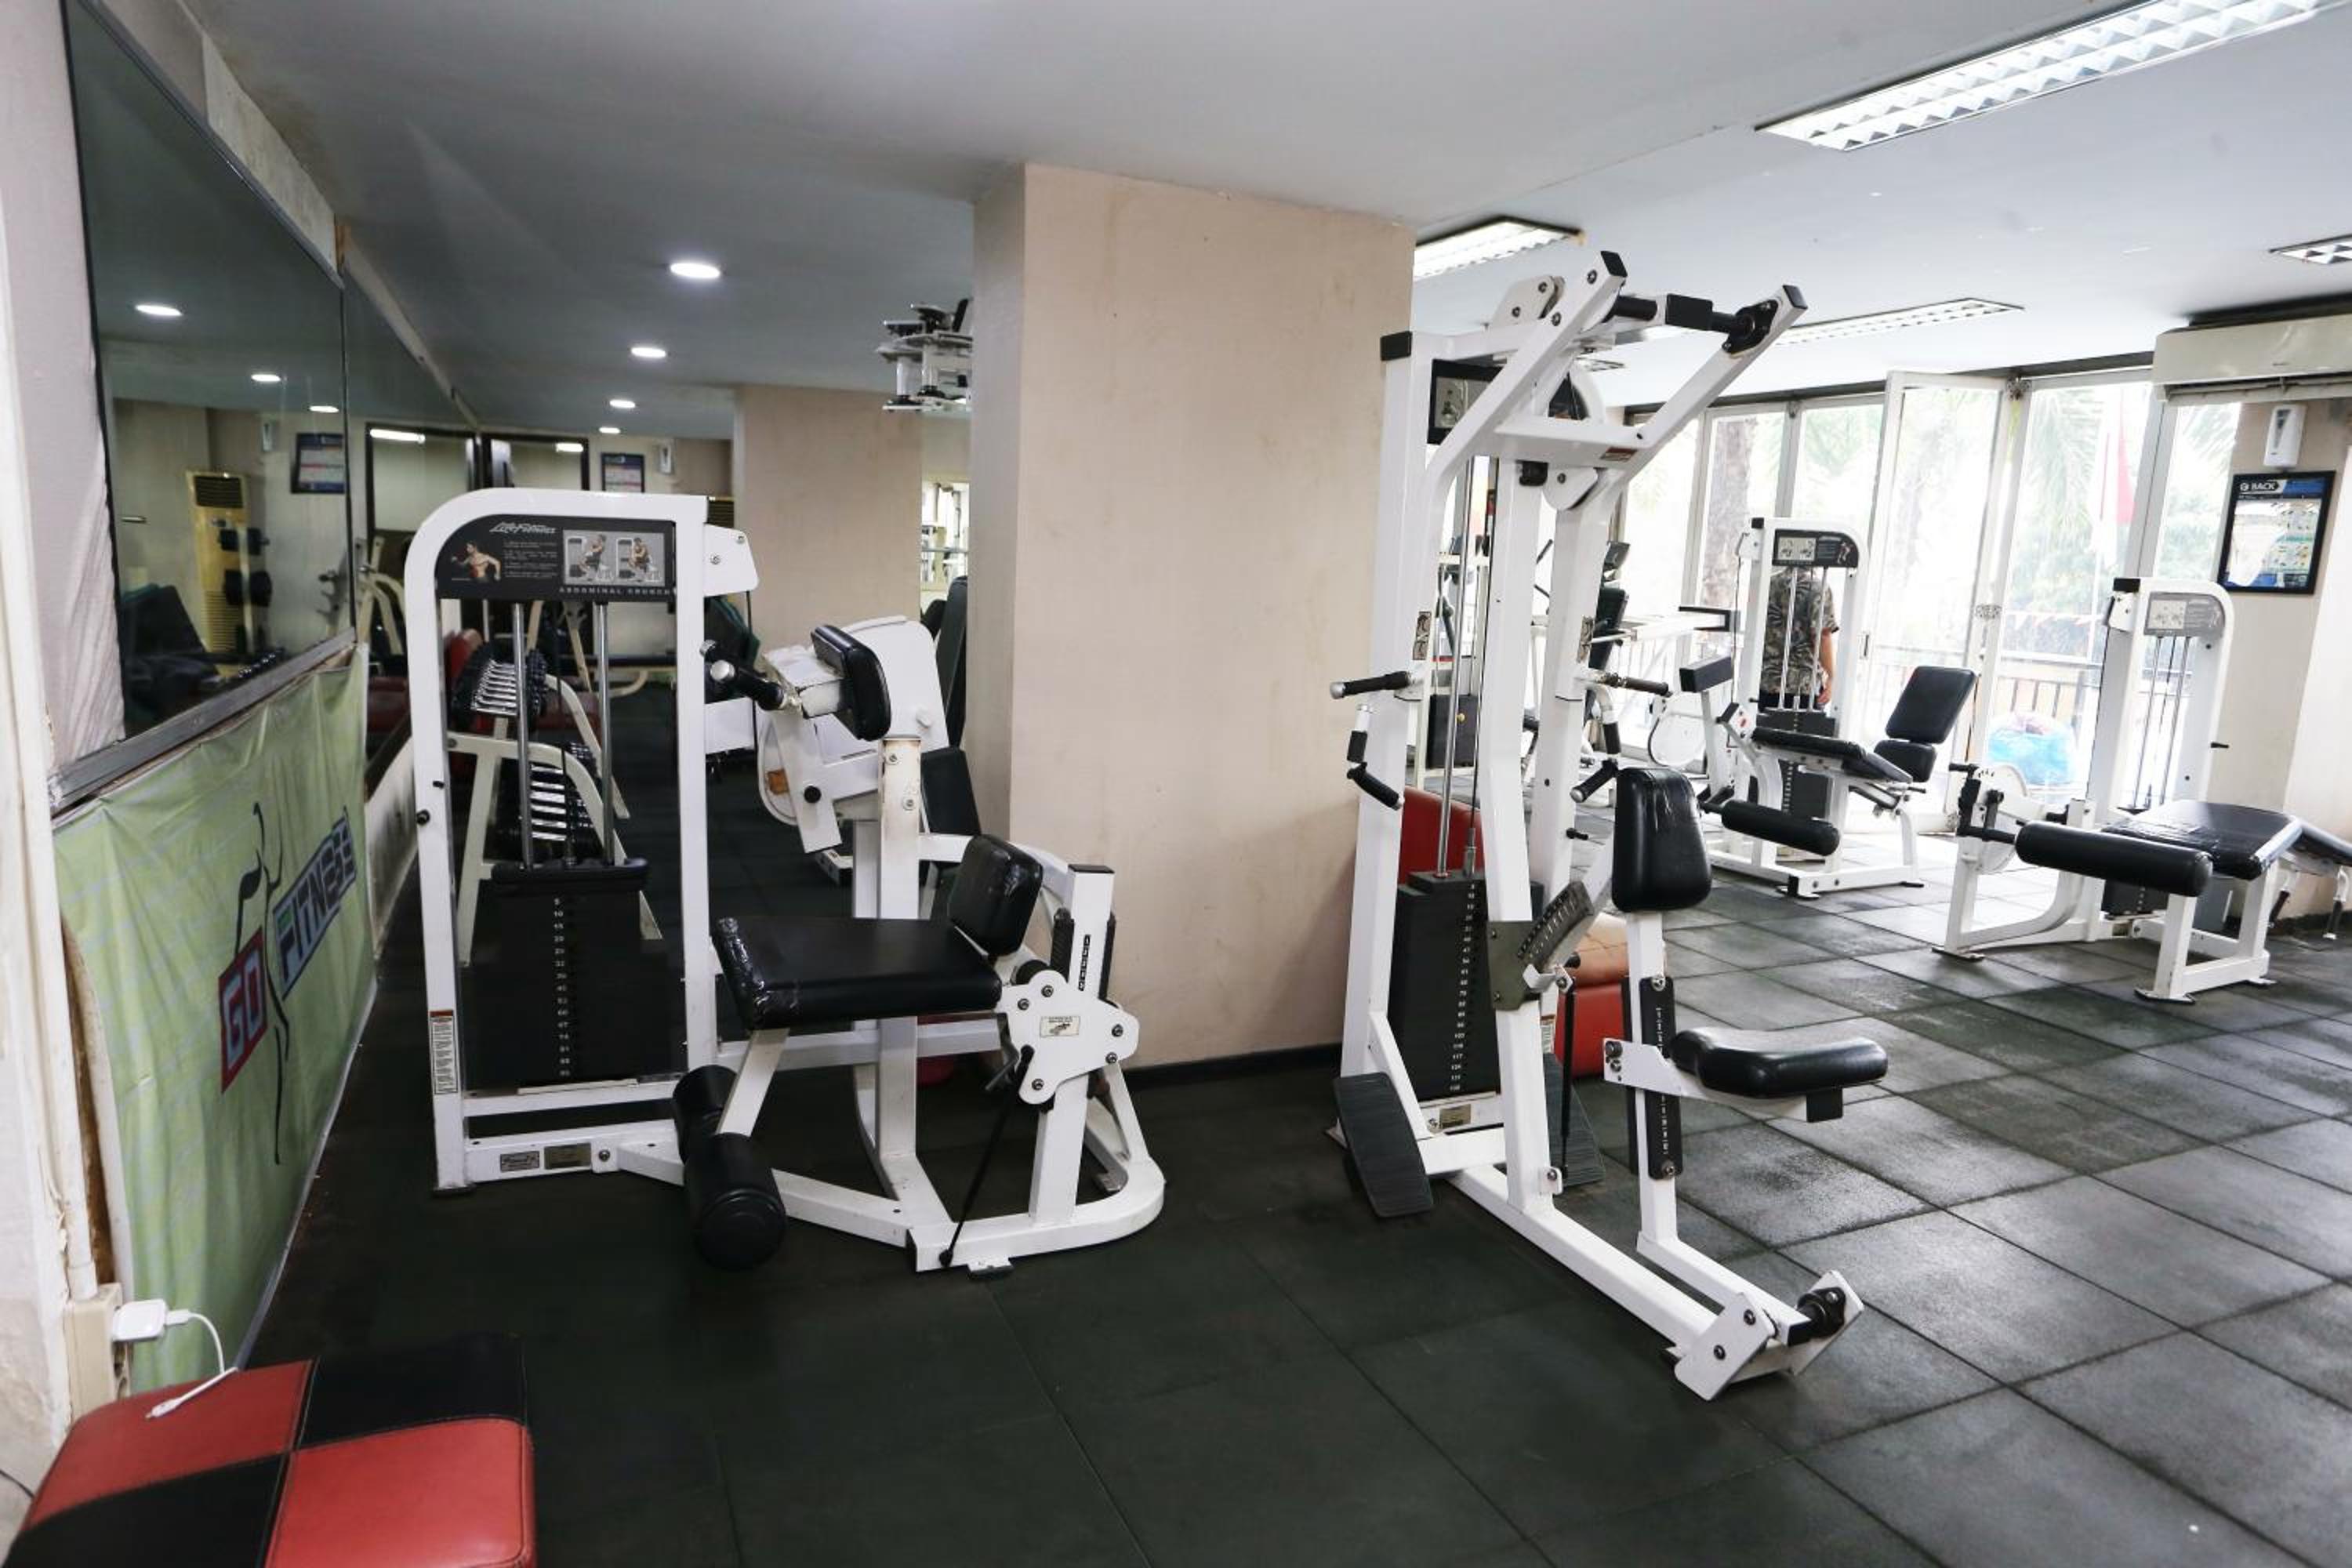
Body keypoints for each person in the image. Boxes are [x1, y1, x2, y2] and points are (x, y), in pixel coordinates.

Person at [1759, 567, 1835, 710]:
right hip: (1802, 686)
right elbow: (1822, 635)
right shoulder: (1819, 588)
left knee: (1766, 724)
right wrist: (1831, 677)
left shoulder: (1768, 583)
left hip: (1766, 682)